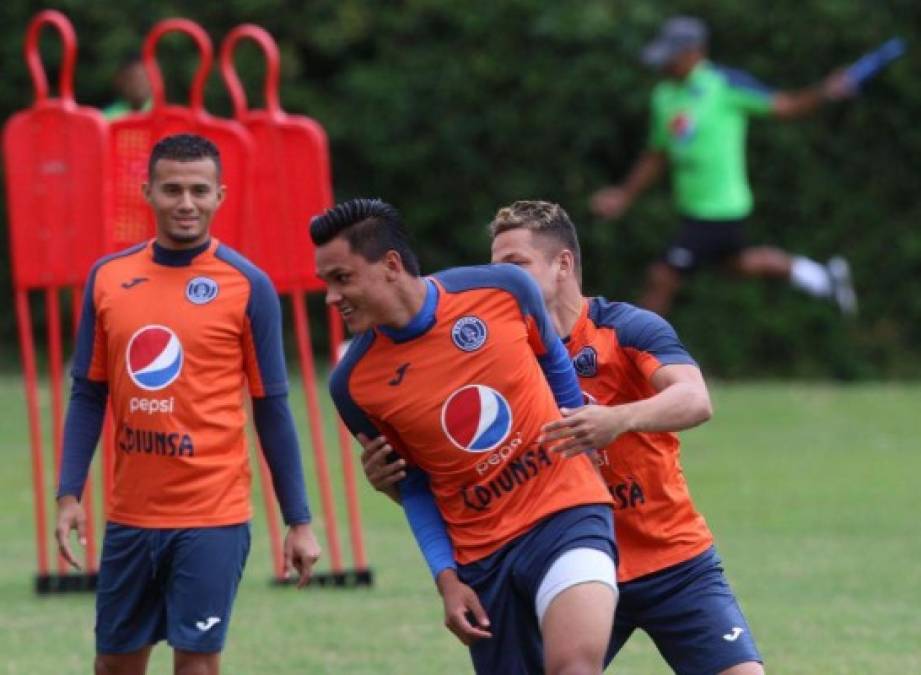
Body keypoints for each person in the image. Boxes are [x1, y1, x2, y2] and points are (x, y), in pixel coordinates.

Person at [363, 201, 765, 674]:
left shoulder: (626, 328)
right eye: (493, 269)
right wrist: (396, 484)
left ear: (563, 265)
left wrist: (618, 420)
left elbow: (695, 400)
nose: (499, 280)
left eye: (514, 265)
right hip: (567, 564)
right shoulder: (496, 357)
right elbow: (471, 486)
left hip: (672, 559)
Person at [313, 198, 618, 675]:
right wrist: (446, 579)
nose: (331, 298)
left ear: (391, 265)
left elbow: (554, 362)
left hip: (566, 513)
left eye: (342, 279)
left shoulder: (502, 289)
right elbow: (413, 487)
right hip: (482, 557)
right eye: (326, 283)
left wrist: (579, 427)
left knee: (574, 667)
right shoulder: (352, 385)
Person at [55, 133, 321, 675]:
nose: (185, 203)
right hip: (130, 515)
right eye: (172, 189)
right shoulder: (108, 278)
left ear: (219, 195)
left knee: (197, 666)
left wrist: (299, 520)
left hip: (212, 516)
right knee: (113, 664)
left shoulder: (249, 286)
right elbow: (88, 393)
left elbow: (272, 407)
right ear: (147, 191)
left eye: (199, 190)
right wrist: (68, 494)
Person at [590, 15, 857, 317]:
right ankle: (821, 278)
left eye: (672, 57)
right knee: (738, 265)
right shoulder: (664, 95)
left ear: (695, 52)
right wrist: (624, 195)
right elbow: (657, 154)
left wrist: (825, 91)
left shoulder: (724, 84)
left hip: (718, 210)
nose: (664, 65)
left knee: (662, 277)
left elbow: (786, 106)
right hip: (695, 208)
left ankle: (638, 358)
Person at [102, 55, 152, 120]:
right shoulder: (107, 117)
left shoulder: (164, 113)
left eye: (142, 78)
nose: (137, 84)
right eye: (131, 78)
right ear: (119, 81)